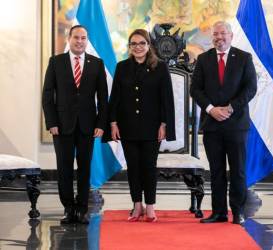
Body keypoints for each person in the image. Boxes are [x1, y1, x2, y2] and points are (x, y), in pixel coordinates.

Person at [190, 21, 257, 225]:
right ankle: (218, 212)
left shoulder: (244, 58)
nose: (219, 37)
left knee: (238, 170)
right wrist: (211, 109)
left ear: (231, 36)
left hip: (236, 124)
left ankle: (238, 212)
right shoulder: (203, 59)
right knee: (216, 171)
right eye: (215, 34)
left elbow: (250, 88)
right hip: (212, 125)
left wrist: (230, 108)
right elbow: (195, 90)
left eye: (223, 34)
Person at [106, 29, 175, 222]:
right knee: (133, 168)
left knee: (148, 167)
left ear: (148, 45)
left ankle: (150, 206)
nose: (138, 47)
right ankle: (137, 205)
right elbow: (115, 99)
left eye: (142, 43)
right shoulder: (122, 67)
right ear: (129, 47)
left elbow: (166, 99)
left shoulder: (160, 67)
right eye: (134, 44)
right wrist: (113, 123)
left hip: (152, 127)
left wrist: (164, 124)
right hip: (127, 126)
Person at [42, 25, 108, 224]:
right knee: (64, 168)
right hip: (61, 126)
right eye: (76, 37)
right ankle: (68, 208)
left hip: (88, 126)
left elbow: (103, 98)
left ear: (87, 40)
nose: (80, 41)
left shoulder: (96, 63)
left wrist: (101, 124)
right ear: (69, 39)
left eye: (83, 38)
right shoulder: (56, 62)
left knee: (85, 168)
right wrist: (51, 121)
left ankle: (81, 209)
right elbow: (47, 95)